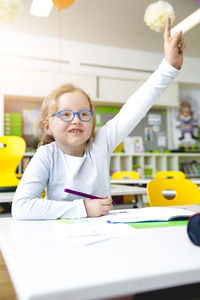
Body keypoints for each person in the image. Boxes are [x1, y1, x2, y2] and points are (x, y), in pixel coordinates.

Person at [12, 19, 185, 220]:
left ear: (93, 122)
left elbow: (137, 107)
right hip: (59, 239)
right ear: (47, 126)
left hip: (104, 232)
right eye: (66, 114)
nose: (76, 120)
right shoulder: (46, 155)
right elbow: (22, 207)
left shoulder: (101, 142)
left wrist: (169, 66)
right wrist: (83, 208)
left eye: (84, 114)